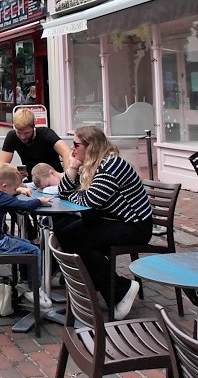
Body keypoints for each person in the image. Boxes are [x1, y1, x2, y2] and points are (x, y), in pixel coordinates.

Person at [56, 125, 153, 320]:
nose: (72, 149)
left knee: (81, 243)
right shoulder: (92, 165)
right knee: (64, 231)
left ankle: (120, 289)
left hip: (133, 225)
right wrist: (73, 167)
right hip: (109, 220)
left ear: (90, 146)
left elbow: (90, 201)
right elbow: (63, 193)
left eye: (76, 145)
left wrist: (75, 194)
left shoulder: (111, 166)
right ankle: (90, 286)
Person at [0, 164, 50, 265]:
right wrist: (40, 201)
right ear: (5, 186)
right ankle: (36, 280)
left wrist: (17, 191)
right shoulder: (2, 198)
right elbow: (26, 206)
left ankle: (25, 275)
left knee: (28, 244)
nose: (16, 190)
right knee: (34, 251)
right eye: (15, 188)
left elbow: (8, 196)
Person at [0, 107, 69, 173]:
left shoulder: (46, 134)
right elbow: (3, 165)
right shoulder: (12, 136)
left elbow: (67, 153)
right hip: (31, 181)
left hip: (53, 179)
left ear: (33, 127)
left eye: (27, 133)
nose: (23, 137)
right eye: (19, 132)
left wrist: (66, 178)